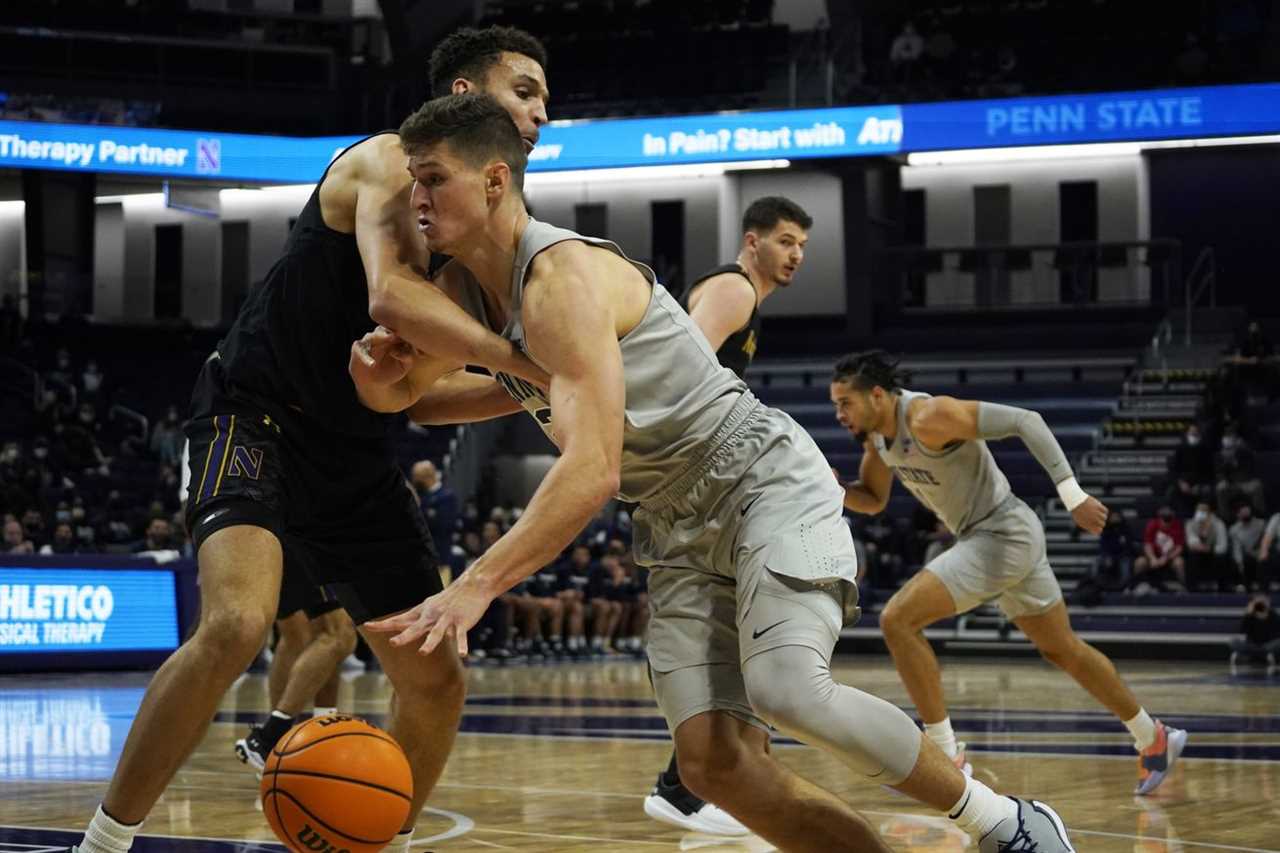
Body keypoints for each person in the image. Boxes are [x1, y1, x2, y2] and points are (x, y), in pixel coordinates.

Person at [360, 93, 1077, 853]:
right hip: (671, 518)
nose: (417, 199)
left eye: (433, 179)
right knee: (712, 764)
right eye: (412, 181)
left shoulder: (559, 279)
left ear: (496, 181)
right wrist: (375, 375)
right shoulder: (465, 289)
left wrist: (475, 583)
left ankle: (1006, 822)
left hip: (754, 477)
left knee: (787, 689)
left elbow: (594, 468)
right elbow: (417, 401)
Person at [71, 26, 551, 853]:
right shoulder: (383, 162)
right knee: (235, 624)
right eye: (527, 90)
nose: (544, 109)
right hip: (252, 411)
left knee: (434, 675)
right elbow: (394, 295)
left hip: (352, 451)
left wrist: (526, 385)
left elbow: (426, 403)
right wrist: (524, 360)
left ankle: (380, 840)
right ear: (468, 96)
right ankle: (105, 843)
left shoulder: (490, 234)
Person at [828, 350, 1187, 796]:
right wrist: (837, 490)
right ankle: (1152, 737)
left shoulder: (928, 416)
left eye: (846, 403)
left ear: (877, 395)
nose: (839, 414)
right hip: (997, 538)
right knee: (1063, 650)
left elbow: (1026, 420)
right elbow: (874, 499)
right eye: (835, 405)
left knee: (897, 620)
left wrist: (1072, 494)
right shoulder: (878, 441)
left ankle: (947, 756)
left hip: (1000, 532)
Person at [645, 195, 812, 835]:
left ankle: (697, 780)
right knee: (731, 621)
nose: (795, 255)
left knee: (735, 625)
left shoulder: (744, 298)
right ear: (753, 241)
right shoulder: (734, 289)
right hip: (688, 480)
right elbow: (678, 366)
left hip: (695, 478)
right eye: (786, 241)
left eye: (801, 246)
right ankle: (687, 786)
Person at [1132, 506, 1187, 593]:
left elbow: (1179, 547)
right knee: (1140, 562)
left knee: (1179, 562)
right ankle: (1134, 586)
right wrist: (1152, 558)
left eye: (1169, 520)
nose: (1166, 523)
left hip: (1170, 557)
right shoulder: (1152, 524)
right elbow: (1147, 545)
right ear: (1160, 518)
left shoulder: (1177, 525)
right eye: (1164, 520)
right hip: (1154, 556)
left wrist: (1166, 558)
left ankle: (1183, 586)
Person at [1185, 501, 1230, 591]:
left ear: (1209, 512)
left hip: (1214, 553)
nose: (1201, 513)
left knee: (1222, 558)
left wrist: (1210, 549)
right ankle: (1192, 589)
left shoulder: (1218, 523)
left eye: (1204, 510)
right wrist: (1202, 535)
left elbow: (1223, 546)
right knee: (1191, 556)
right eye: (1199, 510)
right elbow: (1191, 542)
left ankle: (1222, 589)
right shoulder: (1190, 523)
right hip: (1199, 552)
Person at [1229, 593, 1280, 671]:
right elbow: (1241, 631)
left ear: (1268, 602)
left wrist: (1264, 615)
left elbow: (1277, 634)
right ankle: (1262, 655)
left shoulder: (1274, 615)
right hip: (1252, 644)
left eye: (1263, 602)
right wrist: (1247, 614)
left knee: (1277, 643)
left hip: (1268, 644)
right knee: (1233, 641)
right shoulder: (1249, 616)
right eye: (1259, 602)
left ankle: (1256, 655)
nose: (1261, 604)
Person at [1229, 502, 1267, 592]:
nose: (1246, 514)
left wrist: (1262, 554)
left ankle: (1264, 590)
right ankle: (1246, 589)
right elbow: (1236, 548)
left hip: (1261, 553)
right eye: (1243, 512)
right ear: (1238, 514)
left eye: (1247, 512)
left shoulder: (1261, 524)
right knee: (1244, 562)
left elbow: (1266, 541)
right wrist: (1240, 563)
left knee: (1264, 562)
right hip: (1248, 556)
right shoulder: (1234, 529)